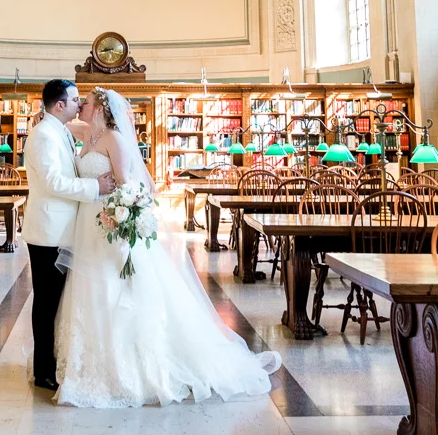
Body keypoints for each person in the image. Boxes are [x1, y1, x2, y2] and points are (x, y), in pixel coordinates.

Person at [53, 86, 280, 407]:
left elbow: (132, 184)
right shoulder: (88, 133)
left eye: (85, 103)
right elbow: (62, 122)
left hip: (109, 222)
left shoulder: (114, 139)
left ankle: (129, 367)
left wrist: (120, 215)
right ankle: (89, 361)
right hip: (87, 225)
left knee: (113, 289)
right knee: (91, 289)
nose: (80, 108)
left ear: (100, 108)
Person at [23, 78, 116, 391]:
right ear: (59, 104)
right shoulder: (44, 135)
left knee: (54, 303)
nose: (80, 104)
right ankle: (43, 371)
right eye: (76, 99)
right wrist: (95, 187)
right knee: (46, 303)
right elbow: (53, 182)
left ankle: (50, 364)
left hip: (63, 230)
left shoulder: (59, 130)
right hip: (49, 231)